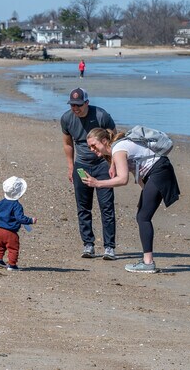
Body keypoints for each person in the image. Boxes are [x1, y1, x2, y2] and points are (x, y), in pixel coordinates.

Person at [82, 127, 181, 273]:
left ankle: (148, 263)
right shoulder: (118, 150)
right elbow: (139, 172)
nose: (91, 149)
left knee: (143, 217)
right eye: (89, 146)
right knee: (142, 215)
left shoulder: (118, 149)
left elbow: (123, 180)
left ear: (104, 141)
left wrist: (97, 183)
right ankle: (147, 261)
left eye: (94, 145)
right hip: (159, 171)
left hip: (160, 171)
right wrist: (146, 193)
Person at [61, 87, 117, 260]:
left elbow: (115, 140)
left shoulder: (101, 115)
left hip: (102, 165)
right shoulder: (67, 119)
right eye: (72, 105)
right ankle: (88, 245)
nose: (75, 108)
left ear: (87, 102)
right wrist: (71, 166)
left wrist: (113, 163)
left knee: (106, 207)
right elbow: (68, 143)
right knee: (83, 207)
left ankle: (109, 247)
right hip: (81, 166)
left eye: (78, 105)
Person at [0, 176, 37, 271]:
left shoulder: (2, 202)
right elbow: (19, 218)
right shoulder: (16, 205)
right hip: (10, 231)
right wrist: (30, 220)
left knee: (1, 246)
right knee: (13, 248)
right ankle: (12, 265)